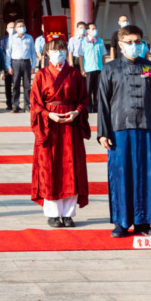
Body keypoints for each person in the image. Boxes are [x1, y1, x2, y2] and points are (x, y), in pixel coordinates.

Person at [97, 25, 151, 237]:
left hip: (146, 127)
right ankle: (121, 222)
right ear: (119, 45)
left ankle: (144, 223)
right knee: (120, 175)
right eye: (129, 42)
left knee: (146, 175)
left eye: (138, 42)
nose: (134, 46)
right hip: (119, 128)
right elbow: (102, 103)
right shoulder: (110, 69)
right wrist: (103, 132)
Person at [29, 17, 90, 227]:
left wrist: (77, 112)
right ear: (47, 53)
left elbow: (84, 99)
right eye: (55, 50)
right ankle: (54, 213)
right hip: (50, 126)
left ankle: (68, 213)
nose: (59, 53)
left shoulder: (74, 73)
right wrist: (48, 115)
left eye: (62, 49)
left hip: (70, 123)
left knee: (70, 165)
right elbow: (35, 103)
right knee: (50, 166)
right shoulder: (41, 75)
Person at [5, 20, 33, 111]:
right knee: (15, 85)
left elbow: (33, 53)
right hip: (16, 63)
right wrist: (8, 66)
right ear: (15, 28)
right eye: (19, 26)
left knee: (27, 85)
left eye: (23, 26)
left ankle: (27, 105)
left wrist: (33, 66)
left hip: (26, 62)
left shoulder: (29, 38)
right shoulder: (12, 38)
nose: (21, 28)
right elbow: (8, 53)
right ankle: (15, 105)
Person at [81, 23, 104, 114]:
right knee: (88, 89)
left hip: (99, 68)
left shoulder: (100, 41)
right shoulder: (83, 42)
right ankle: (89, 106)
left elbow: (103, 56)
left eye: (95, 28)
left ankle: (97, 106)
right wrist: (82, 69)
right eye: (92, 29)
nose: (94, 30)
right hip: (88, 69)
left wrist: (104, 68)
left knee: (98, 89)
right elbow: (80, 56)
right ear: (87, 31)